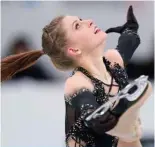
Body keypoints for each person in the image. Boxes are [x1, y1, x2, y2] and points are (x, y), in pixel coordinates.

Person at [1, 5, 152, 147]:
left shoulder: (113, 60)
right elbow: (87, 106)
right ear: (74, 50)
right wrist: (106, 114)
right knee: (127, 132)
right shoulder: (77, 82)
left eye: (81, 19)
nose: (89, 21)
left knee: (131, 129)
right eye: (77, 25)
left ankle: (125, 126)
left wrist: (131, 29)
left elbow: (129, 42)